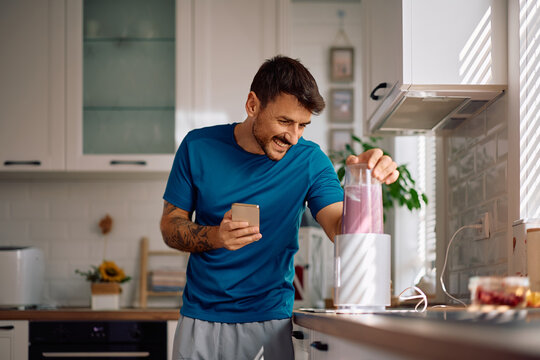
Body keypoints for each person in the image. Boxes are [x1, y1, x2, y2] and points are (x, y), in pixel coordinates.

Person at [160, 55, 399, 360]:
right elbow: (170, 226)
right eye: (285, 121)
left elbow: (341, 229)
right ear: (252, 105)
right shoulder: (198, 146)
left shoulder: (310, 161)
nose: (293, 136)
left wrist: (362, 184)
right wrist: (216, 236)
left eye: (303, 125)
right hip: (198, 321)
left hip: (269, 323)